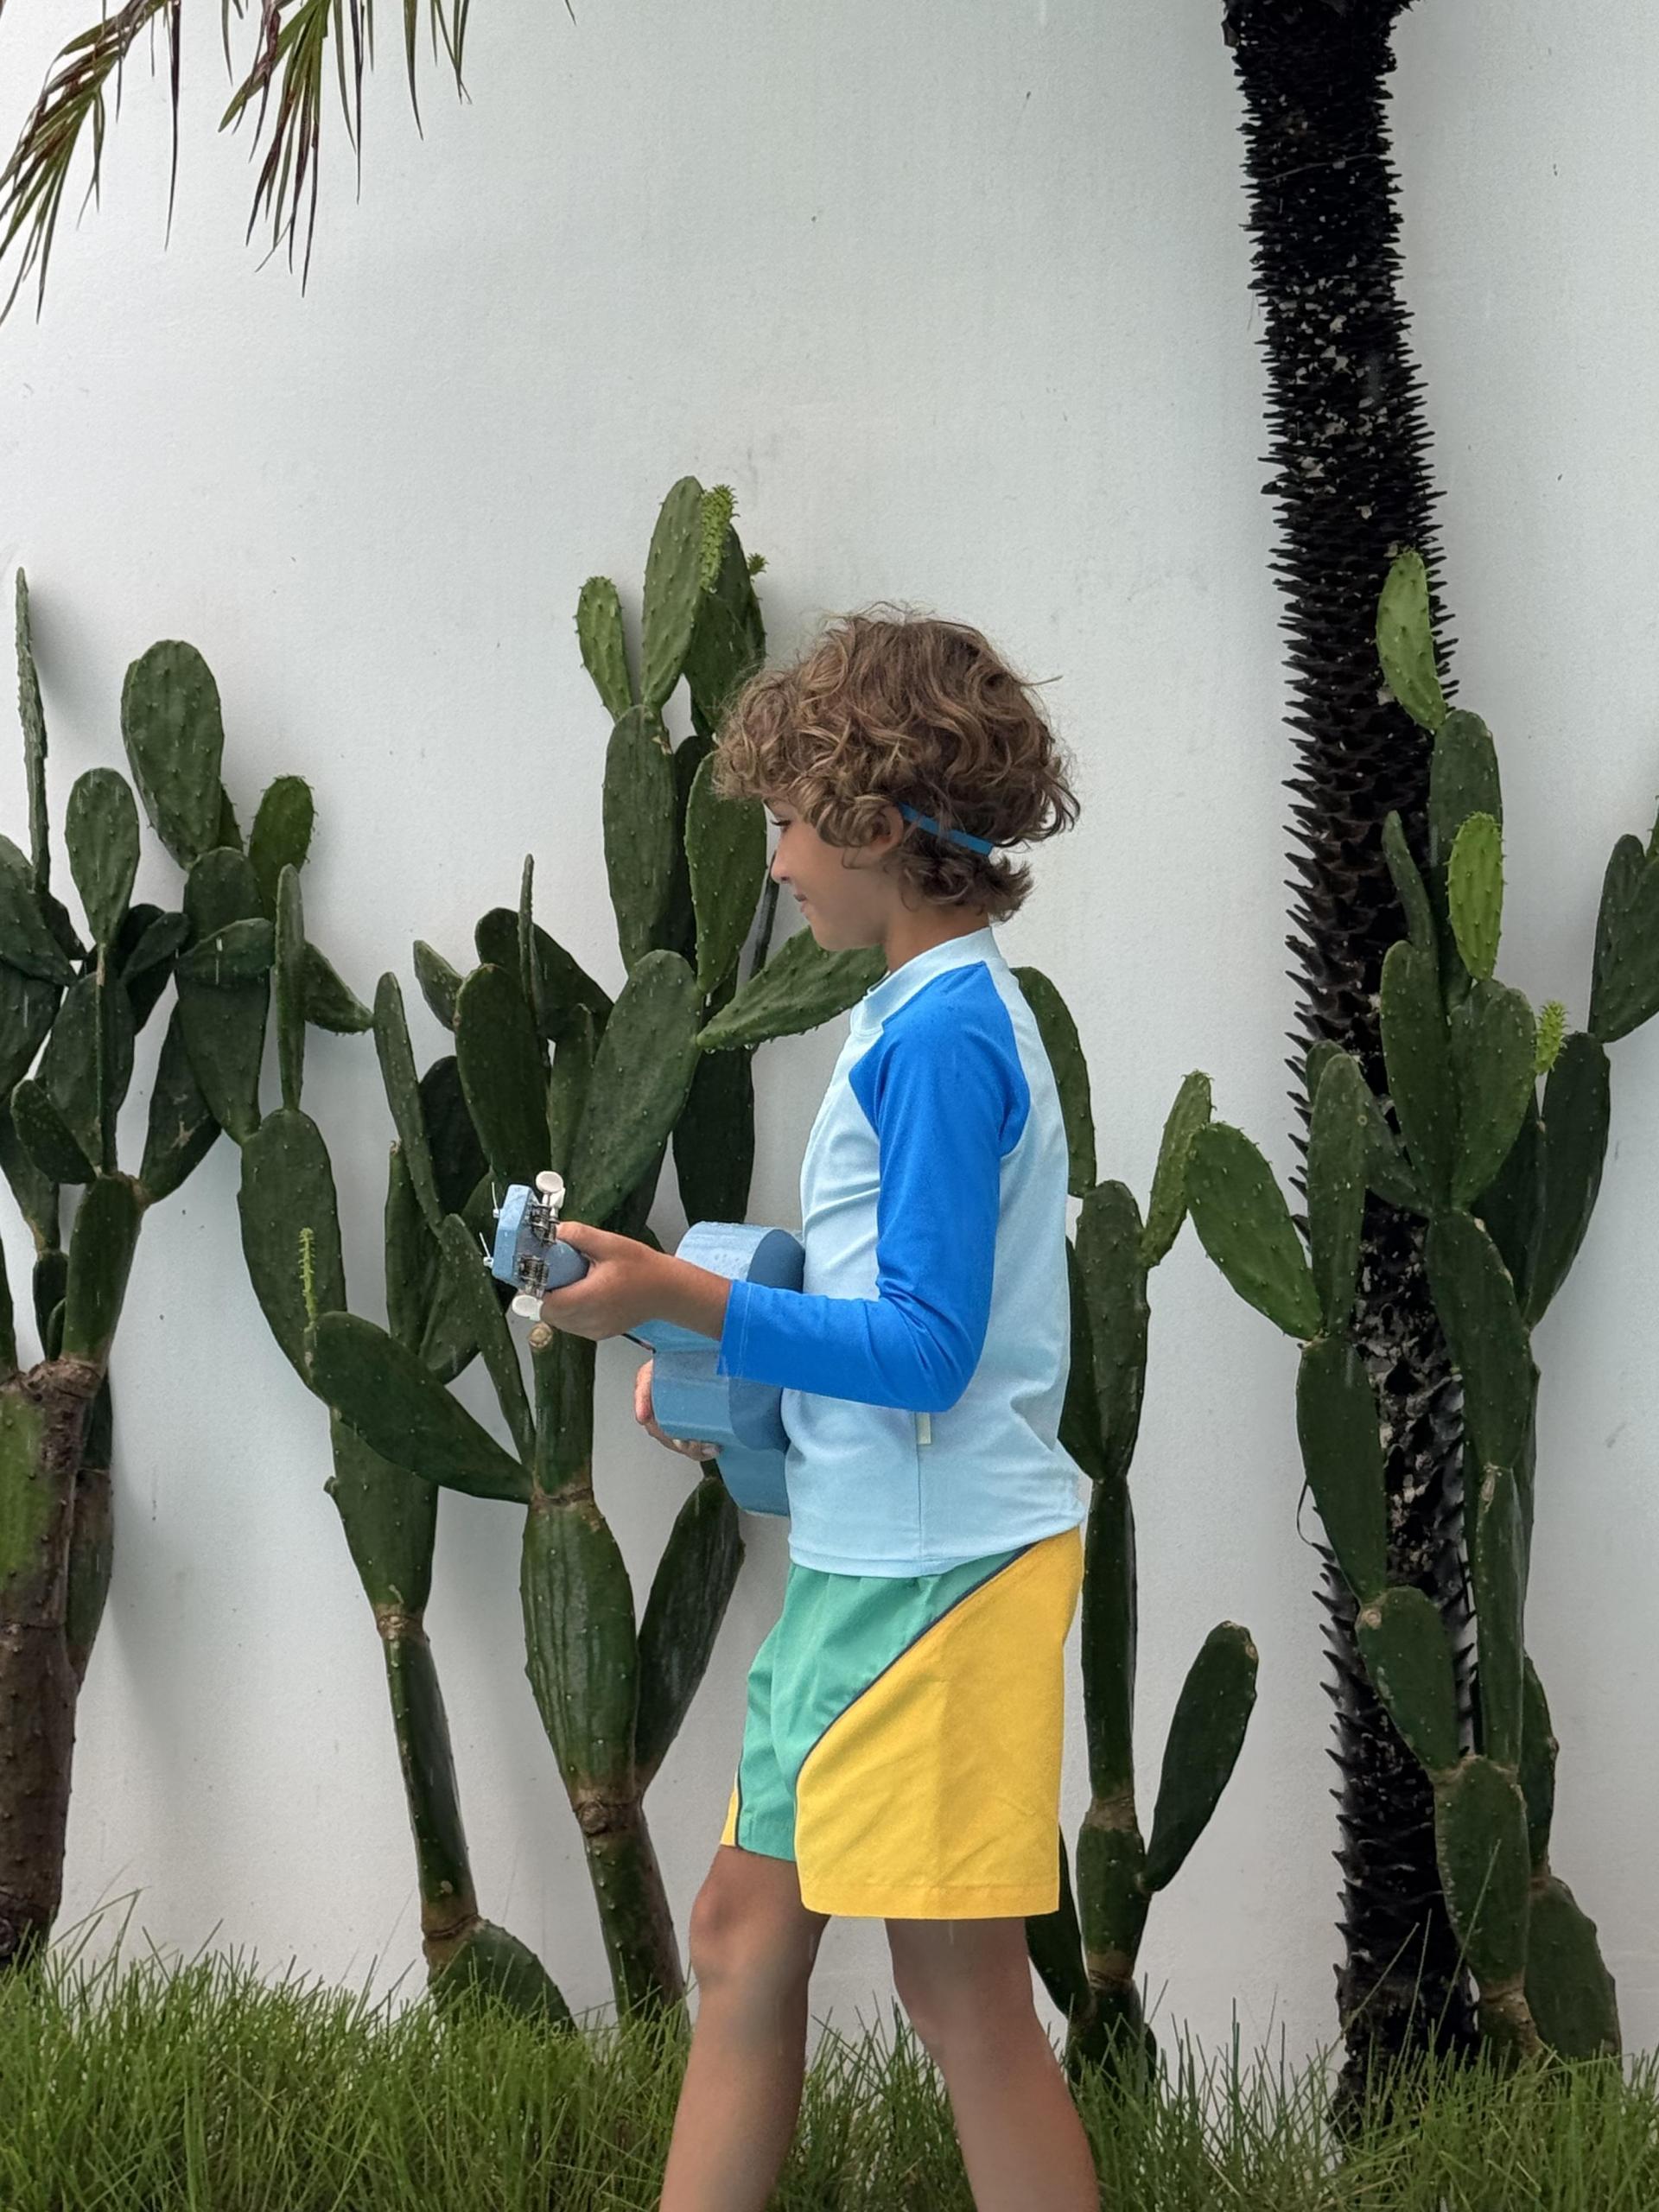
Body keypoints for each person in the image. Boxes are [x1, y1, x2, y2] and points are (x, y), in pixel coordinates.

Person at [536, 607, 1098, 2211]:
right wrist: (733, 1381)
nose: (776, 862)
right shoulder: (912, 1016)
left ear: (881, 821)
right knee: (742, 1936)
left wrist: (676, 1291)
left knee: (960, 1995)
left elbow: (926, 1352)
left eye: (791, 822)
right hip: (874, 1570)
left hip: (938, 1584)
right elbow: (889, 1331)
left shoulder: (947, 1038)